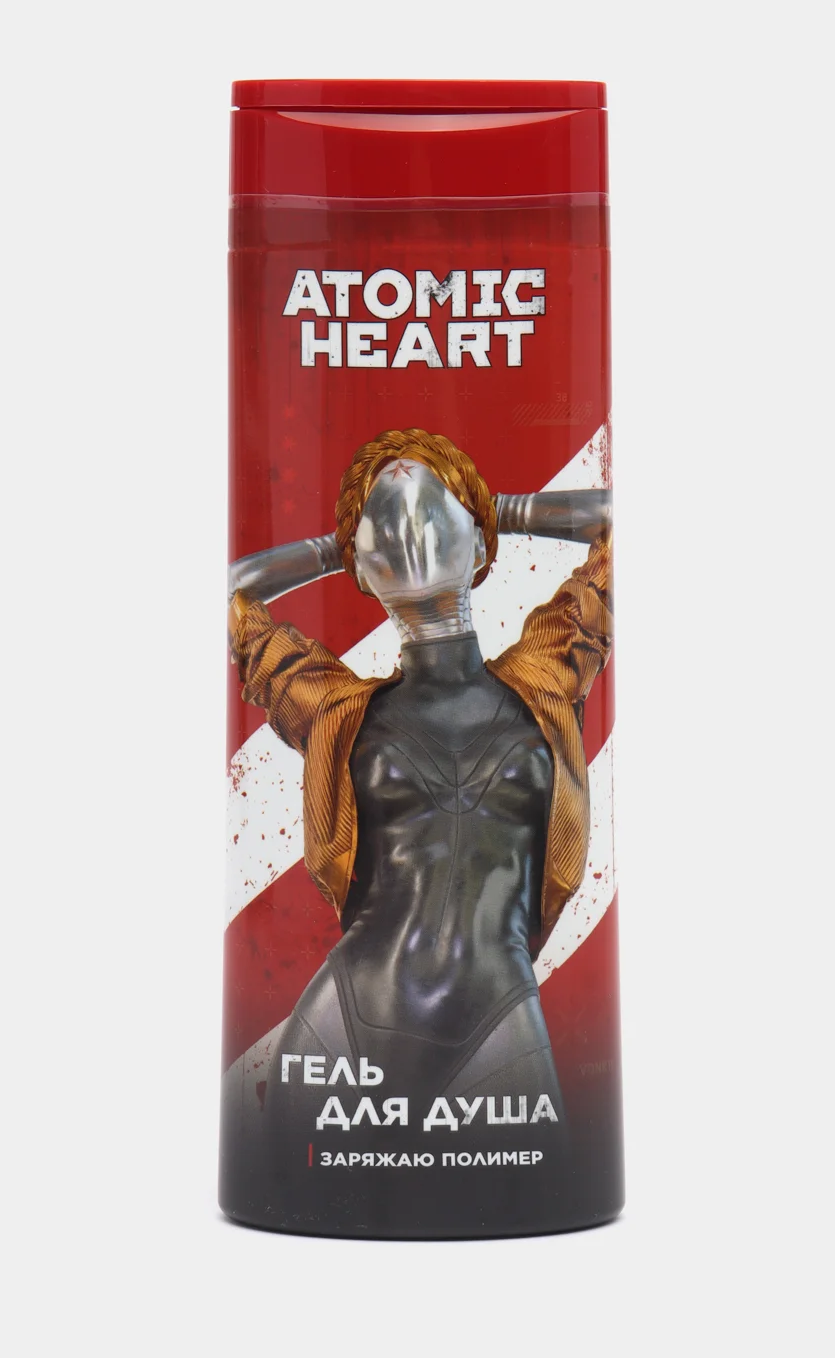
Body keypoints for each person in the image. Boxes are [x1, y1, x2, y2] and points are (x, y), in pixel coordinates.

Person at [225, 428, 612, 1151]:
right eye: (378, 512)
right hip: (342, 1021)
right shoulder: (335, 707)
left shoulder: (546, 675)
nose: (403, 488)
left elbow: (621, 529)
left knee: (530, 1192)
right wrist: (334, 552)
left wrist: (501, 510)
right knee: (302, 1194)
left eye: (434, 494)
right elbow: (229, 594)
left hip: (498, 1016)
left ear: (480, 544)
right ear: (364, 570)